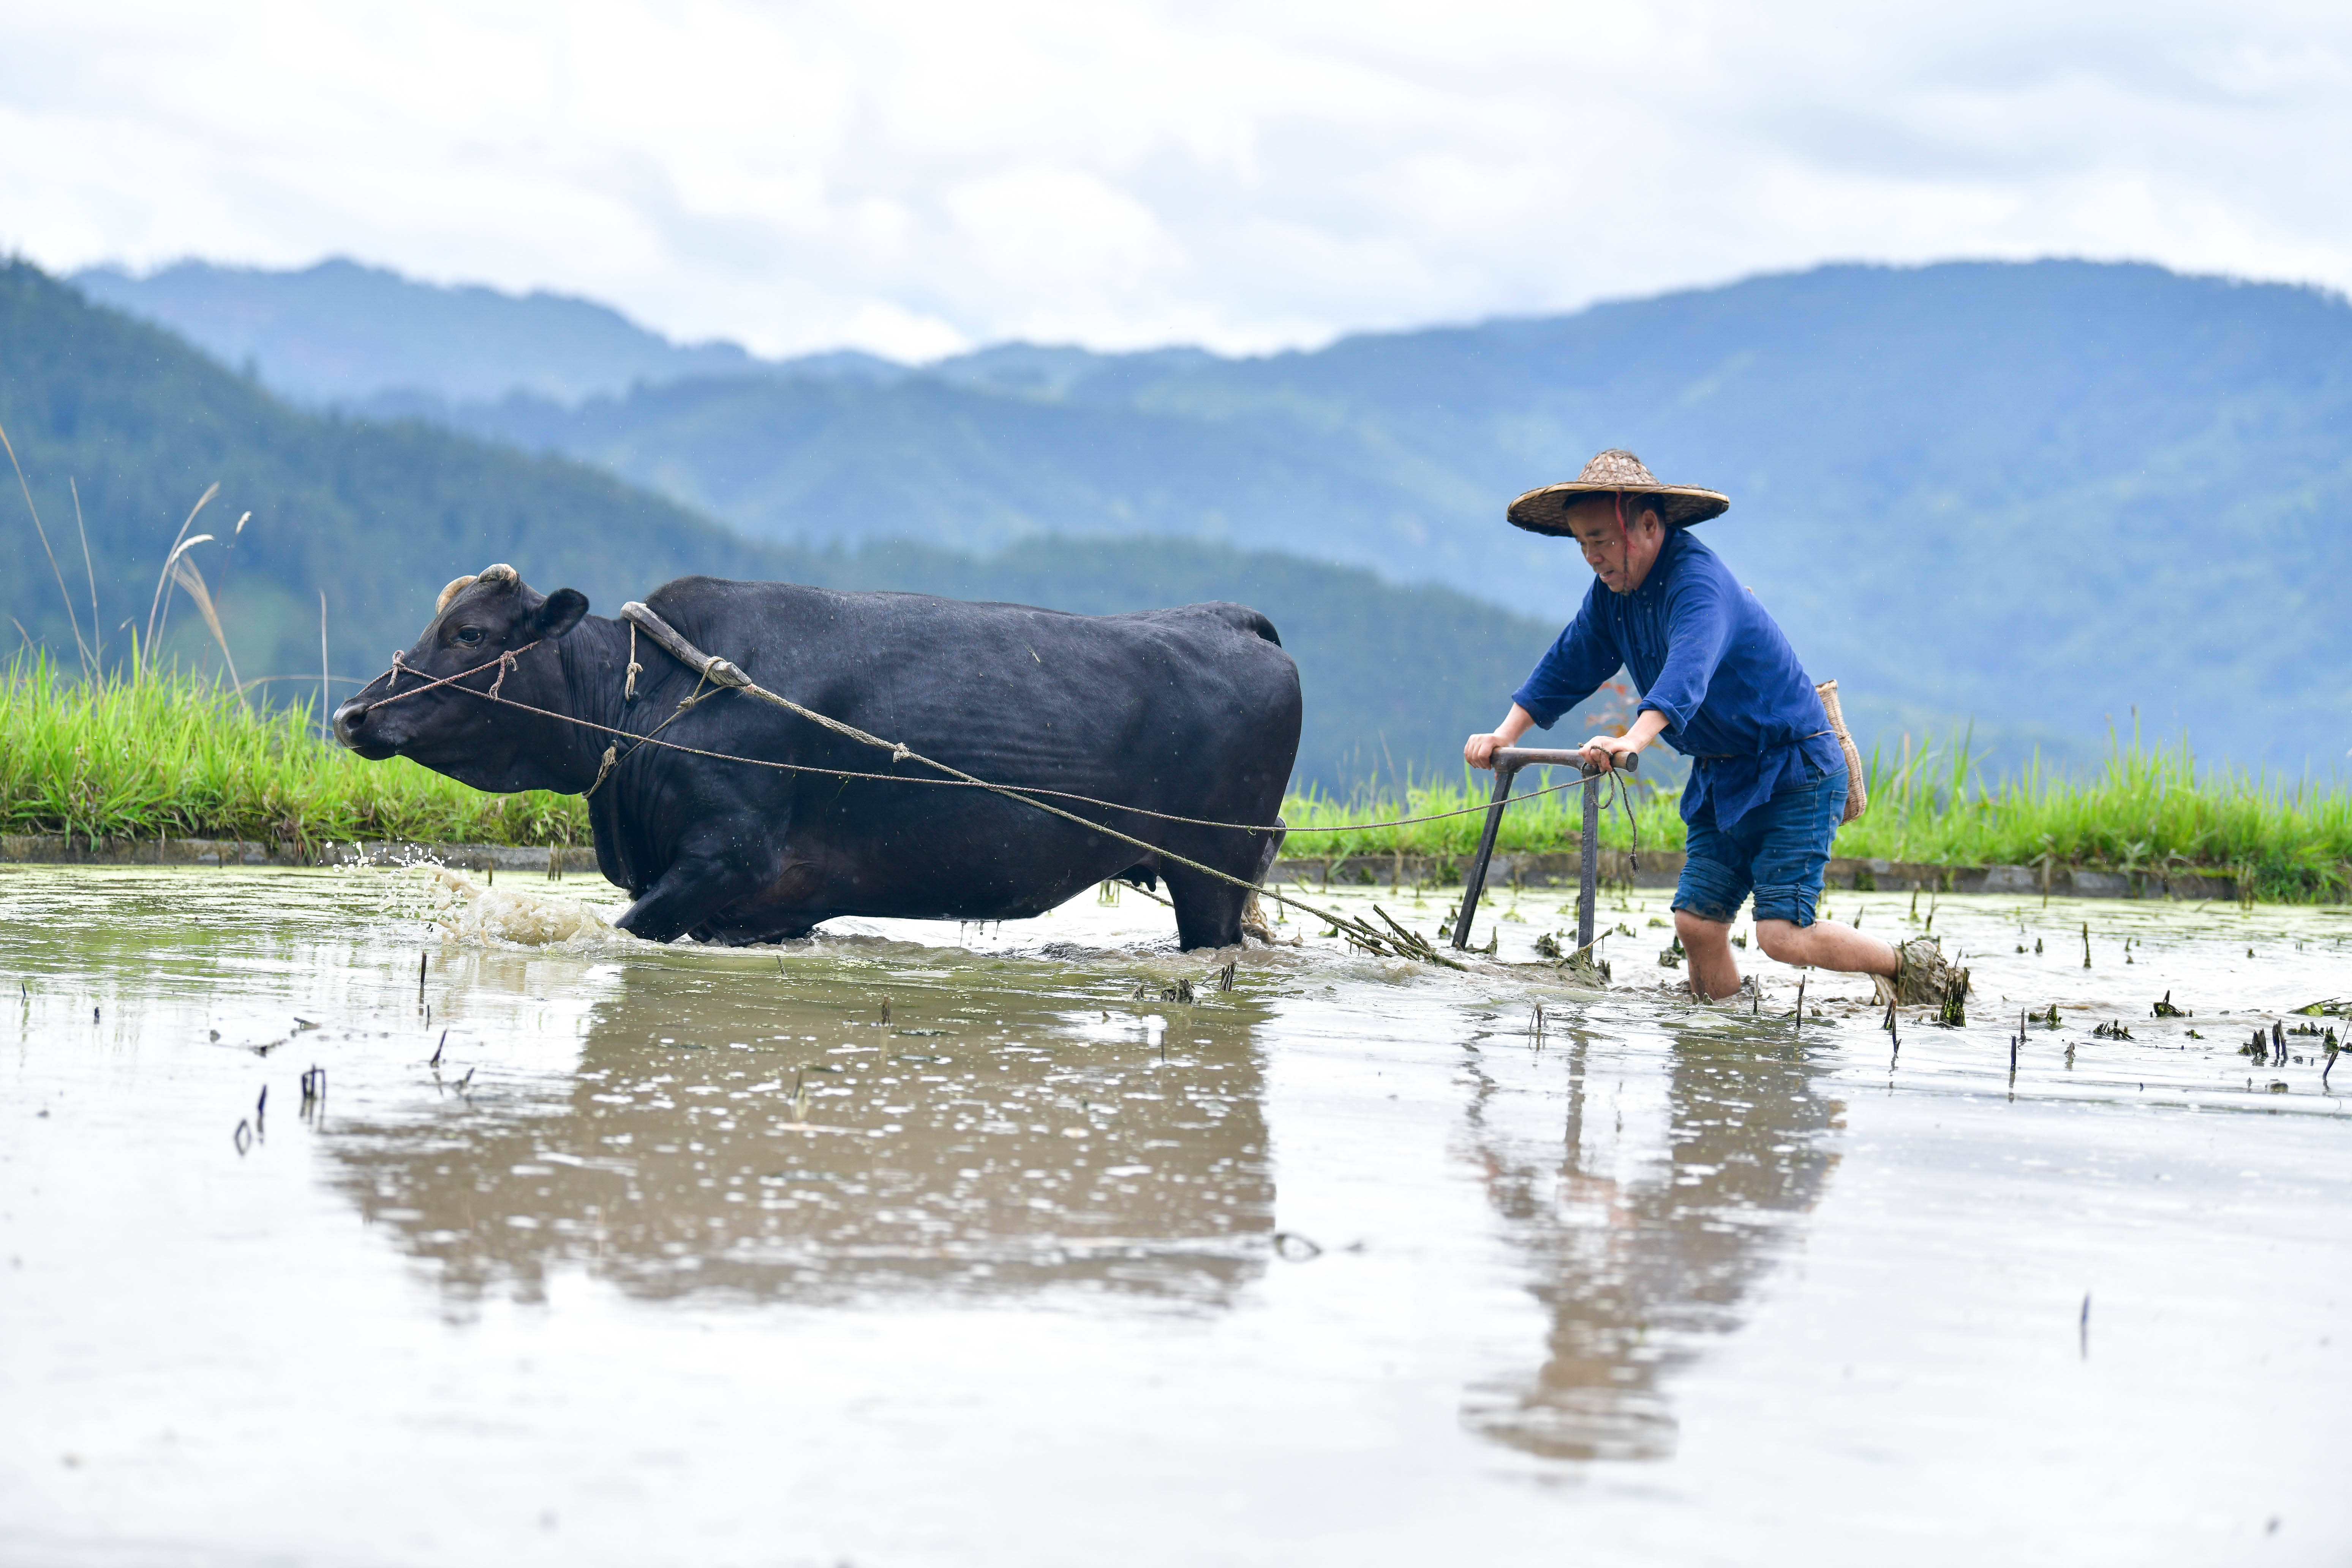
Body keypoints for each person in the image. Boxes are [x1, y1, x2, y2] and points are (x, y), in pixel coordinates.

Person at [1463, 449, 1949, 1004]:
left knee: (1783, 936)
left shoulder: (1698, 584)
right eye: (1582, 543)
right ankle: (1725, 1034)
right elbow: (1568, 662)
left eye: (1601, 539)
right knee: (1697, 925)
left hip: (1795, 768)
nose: (1592, 556)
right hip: (1722, 775)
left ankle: (1911, 968)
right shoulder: (1611, 597)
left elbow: (1687, 670)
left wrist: (1631, 739)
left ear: (1647, 525)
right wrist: (1507, 734)